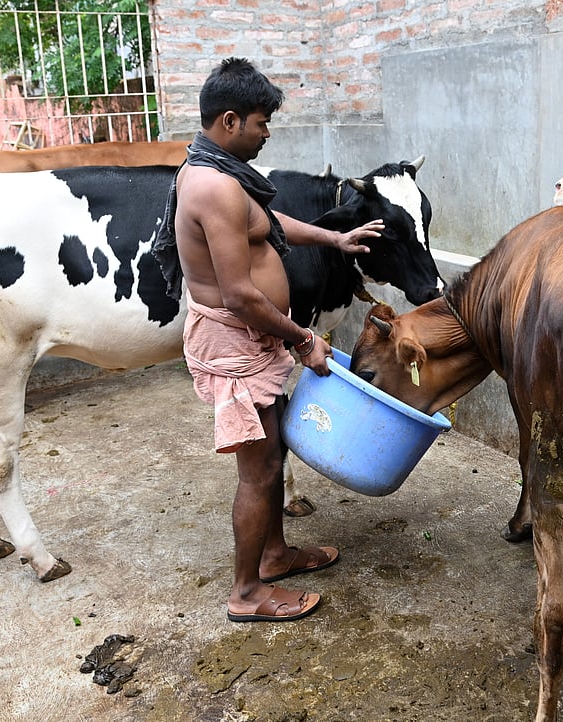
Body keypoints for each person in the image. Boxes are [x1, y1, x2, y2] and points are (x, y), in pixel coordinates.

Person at [169, 58, 383, 622]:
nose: (268, 133)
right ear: (232, 120)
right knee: (259, 471)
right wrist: (302, 338)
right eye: (263, 123)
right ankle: (247, 593)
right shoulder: (214, 187)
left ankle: (276, 554)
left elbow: (271, 224)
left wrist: (337, 239)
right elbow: (239, 294)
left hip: (251, 343)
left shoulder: (221, 172)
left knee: (272, 453)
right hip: (239, 346)